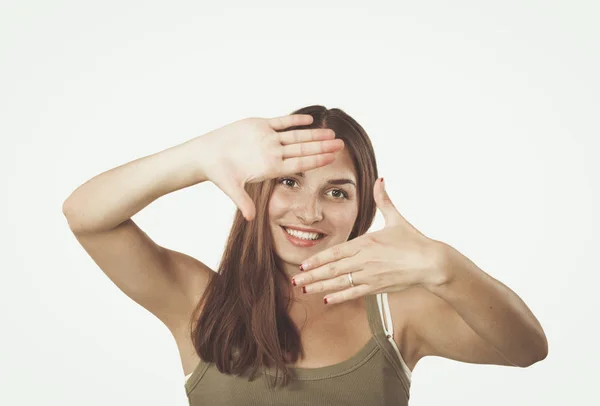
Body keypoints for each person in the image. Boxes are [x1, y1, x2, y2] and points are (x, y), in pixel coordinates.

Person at [63, 105, 548, 405]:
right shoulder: (197, 301)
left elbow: (528, 350)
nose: (308, 212)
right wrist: (200, 156)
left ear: (361, 208)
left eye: (337, 193)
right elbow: (85, 214)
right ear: (259, 188)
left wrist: (445, 266)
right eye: (290, 182)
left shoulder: (397, 312)